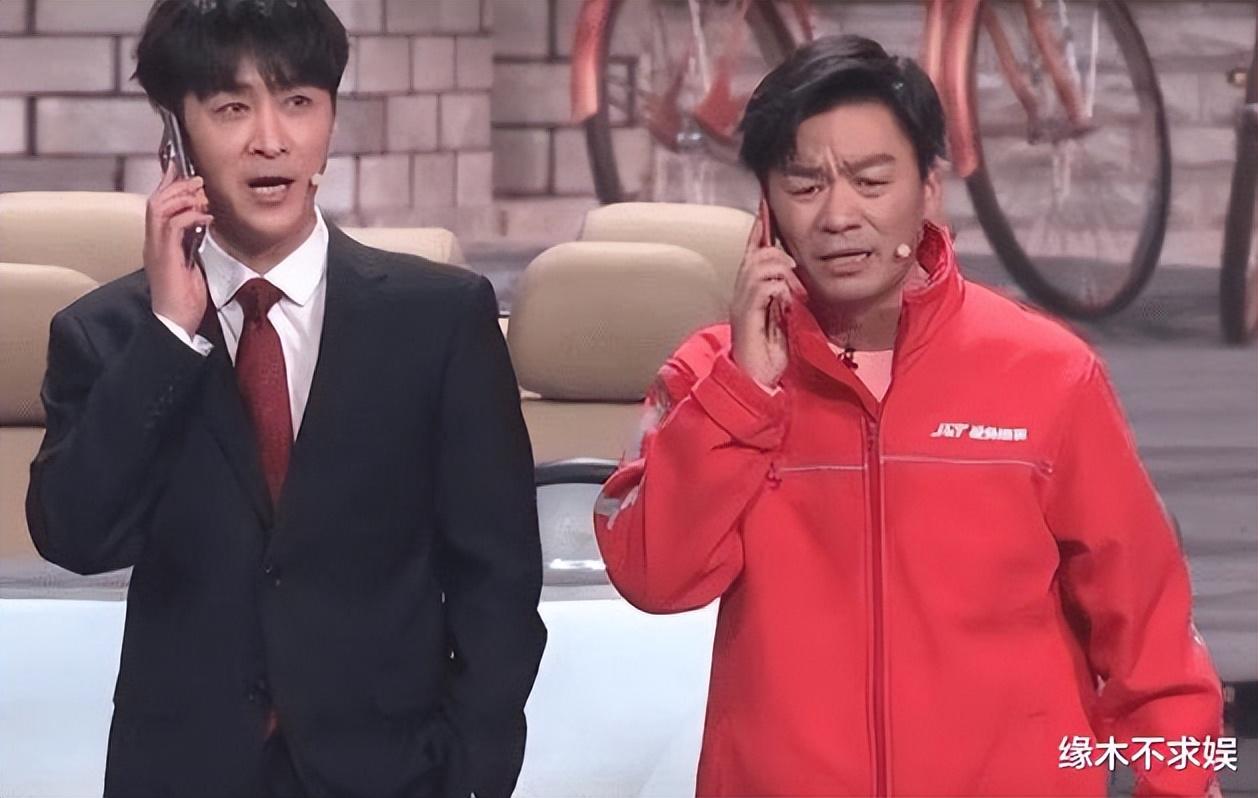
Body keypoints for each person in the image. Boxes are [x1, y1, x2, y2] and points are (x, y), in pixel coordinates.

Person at [594, 34, 1222, 797]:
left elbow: (1149, 630)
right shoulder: (710, 377)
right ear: (765, 207)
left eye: (870, 180)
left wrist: (1181, 783)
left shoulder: (1049, 373)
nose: (838, 215)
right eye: (804, 184)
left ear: (929, 188)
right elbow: (654, 577)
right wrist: (743, 394)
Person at [25, 2, 545, 796]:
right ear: (174, 135)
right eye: (231, 108)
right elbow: (76, 537)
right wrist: (170, 336)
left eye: (297, 101)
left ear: (329, 118)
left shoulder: (438, 319)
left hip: (394, 773)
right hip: (183, 773)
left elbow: (497, 578)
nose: (270, 139)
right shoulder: (109, 335)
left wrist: (473, 772)